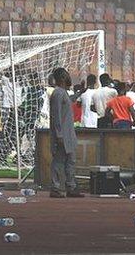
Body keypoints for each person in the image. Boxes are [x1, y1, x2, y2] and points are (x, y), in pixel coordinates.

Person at [49, 68, 84, 198]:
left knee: (71, 161)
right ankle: (55, 188)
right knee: (58, 161)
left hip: (69, 134)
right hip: (62, 135)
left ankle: (71, 186)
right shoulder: (58, 93)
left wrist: (80, 93)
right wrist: (58, 135)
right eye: (67, 75)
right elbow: (56, 116)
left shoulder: (63, 93)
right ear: (63, 77)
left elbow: (70, 100)